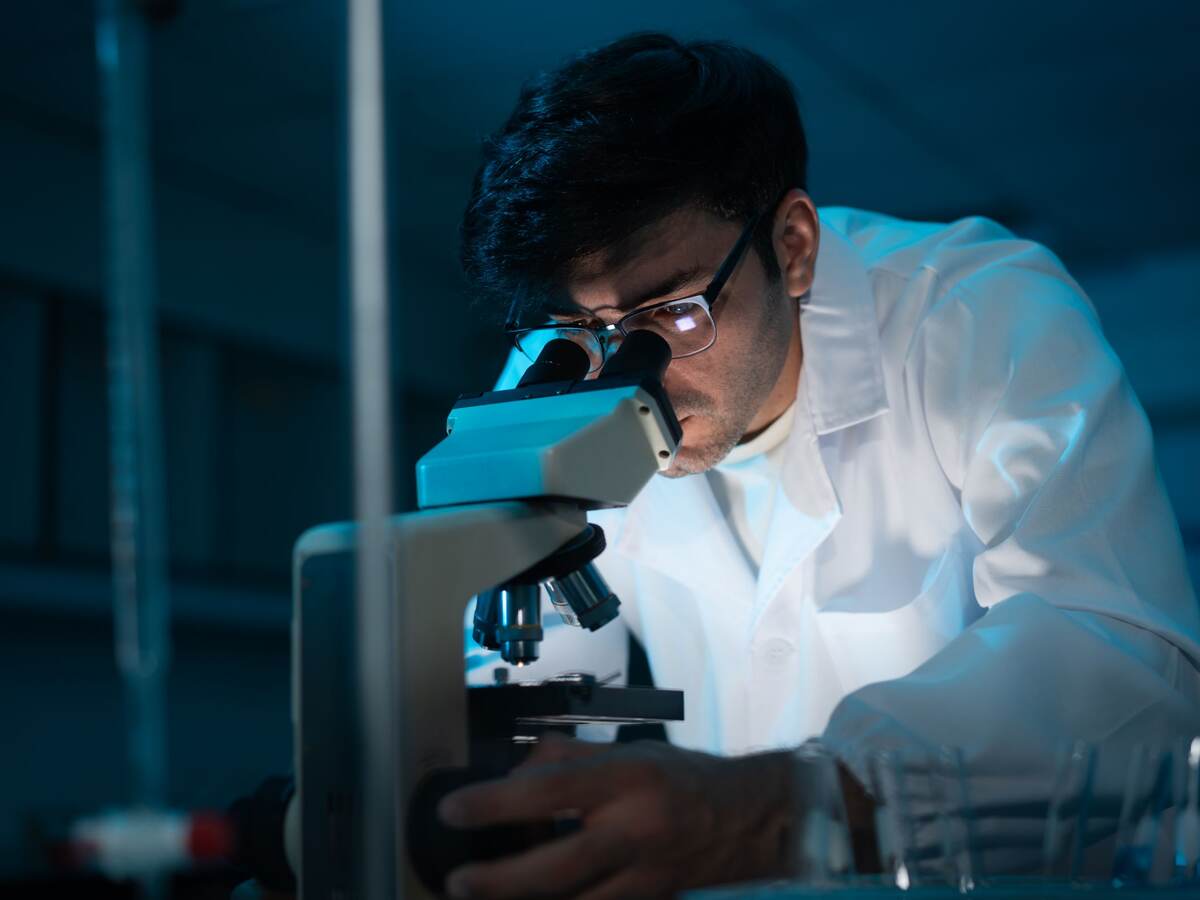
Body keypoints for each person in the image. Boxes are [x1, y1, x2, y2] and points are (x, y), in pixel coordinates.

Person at [440, 32, 1200, 899]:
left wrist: (787, 810)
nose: (623, 381)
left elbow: (1117, 652)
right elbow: (535, 680)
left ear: (793, 246)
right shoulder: (568, 364)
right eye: (588, 330)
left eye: (673, 315)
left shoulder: (976, 312)